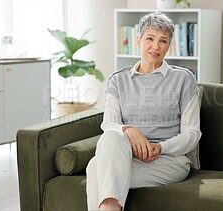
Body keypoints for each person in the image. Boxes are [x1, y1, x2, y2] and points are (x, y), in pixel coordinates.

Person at [86, 11, 201, 211]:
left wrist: (161, 148)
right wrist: (128, 129)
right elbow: (109, 123)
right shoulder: (118, 79)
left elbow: (192, 134)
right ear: (138, 40)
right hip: (127, 156)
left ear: (169, 45)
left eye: (163, 41)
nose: (155, 46)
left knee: (96, 169)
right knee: (112, 136)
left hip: (169, 160)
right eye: (150, 38)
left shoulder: (183, 79)